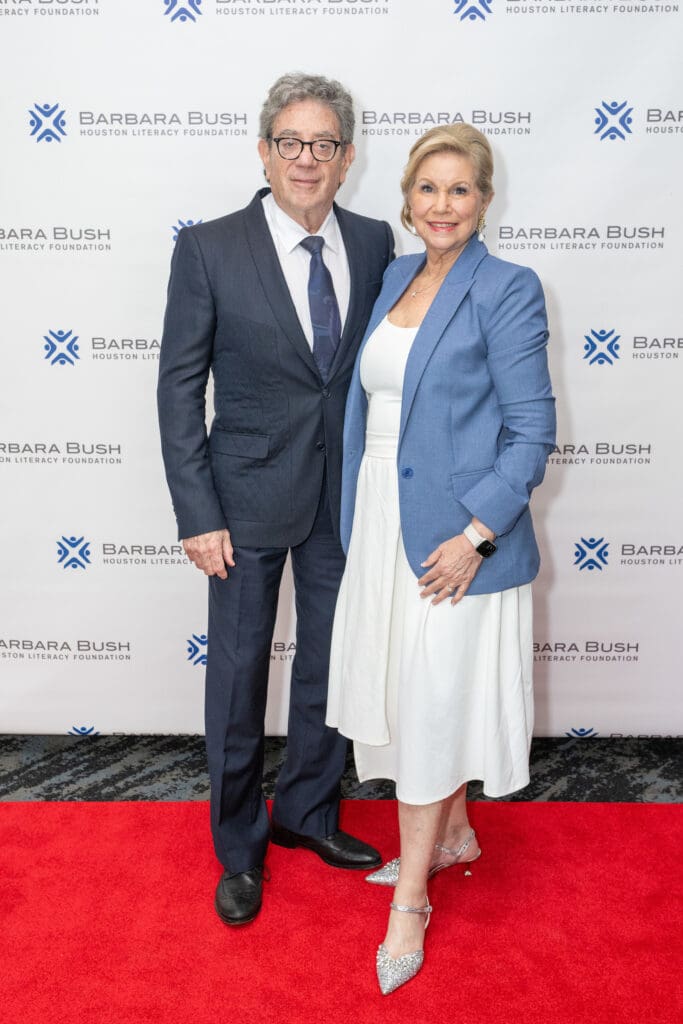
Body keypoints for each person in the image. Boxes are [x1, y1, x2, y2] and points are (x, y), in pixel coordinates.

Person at [157, 73, 394, 928]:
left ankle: (307, 813)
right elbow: (179, 389)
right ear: (263, 151)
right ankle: (238, 846)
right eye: (290, 143)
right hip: (243, 498)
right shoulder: (209, 248)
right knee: (238, 677)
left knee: (332, 666)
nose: (306, 159)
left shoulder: (373, 241)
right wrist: (196, 511)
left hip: (343, 499)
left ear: (346, 158)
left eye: (323, 144)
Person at [326, 124, 556, 994]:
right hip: (383, 518)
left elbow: (532, 432)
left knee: (428, 706)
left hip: (451, 539)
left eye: (460, 191)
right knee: (409, 691)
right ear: (407, 198)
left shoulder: (507, 288)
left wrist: (472, 538)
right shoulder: (394, 275)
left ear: (484, 201)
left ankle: (412, 898)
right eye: (429, 189)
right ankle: (454, 835)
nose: (442, 205)